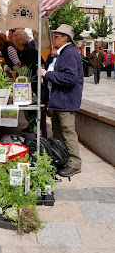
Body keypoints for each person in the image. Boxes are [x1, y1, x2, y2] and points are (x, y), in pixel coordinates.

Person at [40, 24, 83, 177]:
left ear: (65, 38)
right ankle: (62, 159)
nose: (54, 38)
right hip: (61, 100)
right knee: (58, 132)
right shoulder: (63, 52)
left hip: (66, 100)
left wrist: (48, 75)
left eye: (57, 36)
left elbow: (70, 78)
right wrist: (52, 57)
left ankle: (75, 163)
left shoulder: (70, 53)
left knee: (67, 132)